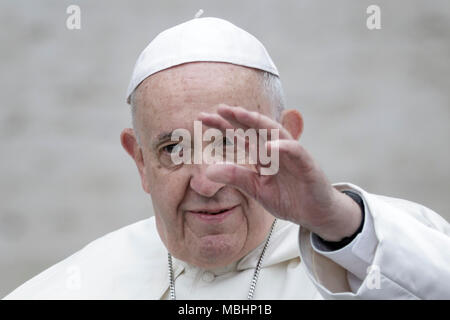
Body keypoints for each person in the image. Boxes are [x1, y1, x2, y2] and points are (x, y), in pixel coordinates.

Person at [4, 17, 450, 300]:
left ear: (287, 138)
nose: (207, 181)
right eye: (174, 149)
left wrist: (335, 220)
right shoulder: (73, 287)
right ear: (140, 161)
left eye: (232, 143)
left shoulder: (377, 252)